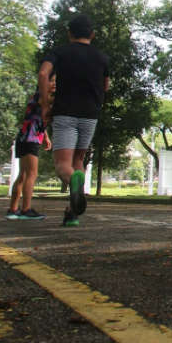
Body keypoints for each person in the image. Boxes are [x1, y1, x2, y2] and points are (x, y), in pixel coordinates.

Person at [38, 14, 109, 228]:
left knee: (62, 166)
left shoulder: (60, 52)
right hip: (91, 115)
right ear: (93, 35)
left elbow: (43, 73)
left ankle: (75, 188)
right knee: (79, 161)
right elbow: (105, 85)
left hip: (66, 113)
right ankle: (71, 213)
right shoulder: (102, 58)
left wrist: (44, 104)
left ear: (69, 33)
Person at [6, 77, 54, 220]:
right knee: (31, 174)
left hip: (25, 137)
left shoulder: (37, 97)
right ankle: (26, 210)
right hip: (30, 139)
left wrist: (45, 136)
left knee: (23, 175)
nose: (55, 84)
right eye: (52, 81)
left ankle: (13, 209)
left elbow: (36, 118)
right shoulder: (41, 96)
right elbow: (50, 105)